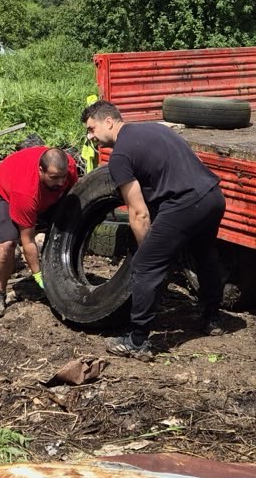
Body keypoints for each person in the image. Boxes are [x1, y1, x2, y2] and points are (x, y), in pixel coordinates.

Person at [81, 99, 226, 360]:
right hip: (213, 197)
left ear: (109, 121)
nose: (91, 137)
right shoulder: (154, 129)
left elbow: (139, 213)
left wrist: (148, 249)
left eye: (92, 129)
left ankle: (137, 341)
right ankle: (212, 319)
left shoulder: (120, 156)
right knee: (205, 256)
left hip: (183, 205)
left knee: (146, 266)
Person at [0, 145, 77, 319]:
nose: (61, 182)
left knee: (66, 223)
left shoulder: (68, 167)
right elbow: (28, 241)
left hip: (37, 195)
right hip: (2, 194)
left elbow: (73, 192)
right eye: (55, 178)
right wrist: (39, 277)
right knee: (7, 244)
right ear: (41, 170)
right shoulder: (26, 192)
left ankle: (59, 276)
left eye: (63, 177)